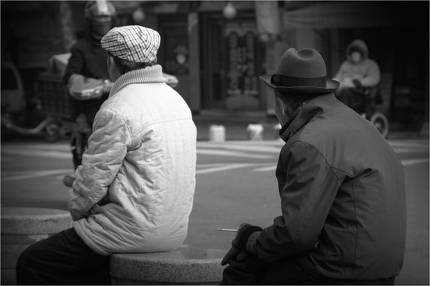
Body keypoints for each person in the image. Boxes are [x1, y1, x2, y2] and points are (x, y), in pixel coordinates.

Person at [16, 25, 197, 285]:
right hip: (174, 230)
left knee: (32, 261)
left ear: (112, 63)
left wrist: (78, 213)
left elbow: (92, 181)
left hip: (127, 232)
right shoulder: (177, 100)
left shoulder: (117, 108)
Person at [221, 48, 406, 285]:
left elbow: (297, 235)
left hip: (343, 271)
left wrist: (250, 238)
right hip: (382, 267)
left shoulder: (308, 142)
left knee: (244, 268)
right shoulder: (360, 124)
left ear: (281, 103)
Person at [64, 0, 116, 169]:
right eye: (99, 17)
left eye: (106, 17)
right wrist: (101, 85)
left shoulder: (118, 44)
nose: (103, 21)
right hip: (93, 104)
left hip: (120, 99)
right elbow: (72, 78)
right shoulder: (80, 48)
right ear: (90, 19)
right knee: (96, 148)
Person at [334, 39, 381, 114]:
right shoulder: (346, 64)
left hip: (361, 92)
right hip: (344, 89)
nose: (355, 56)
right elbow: (338, 77)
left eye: (357, 53)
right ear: (350, 54)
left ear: (362, 54)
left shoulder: (370, 64)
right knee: (334, 93)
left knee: (345, 92)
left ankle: (345, 114)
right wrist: (334, 83)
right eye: (353, 54)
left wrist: (358, 82)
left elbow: (374, 78)